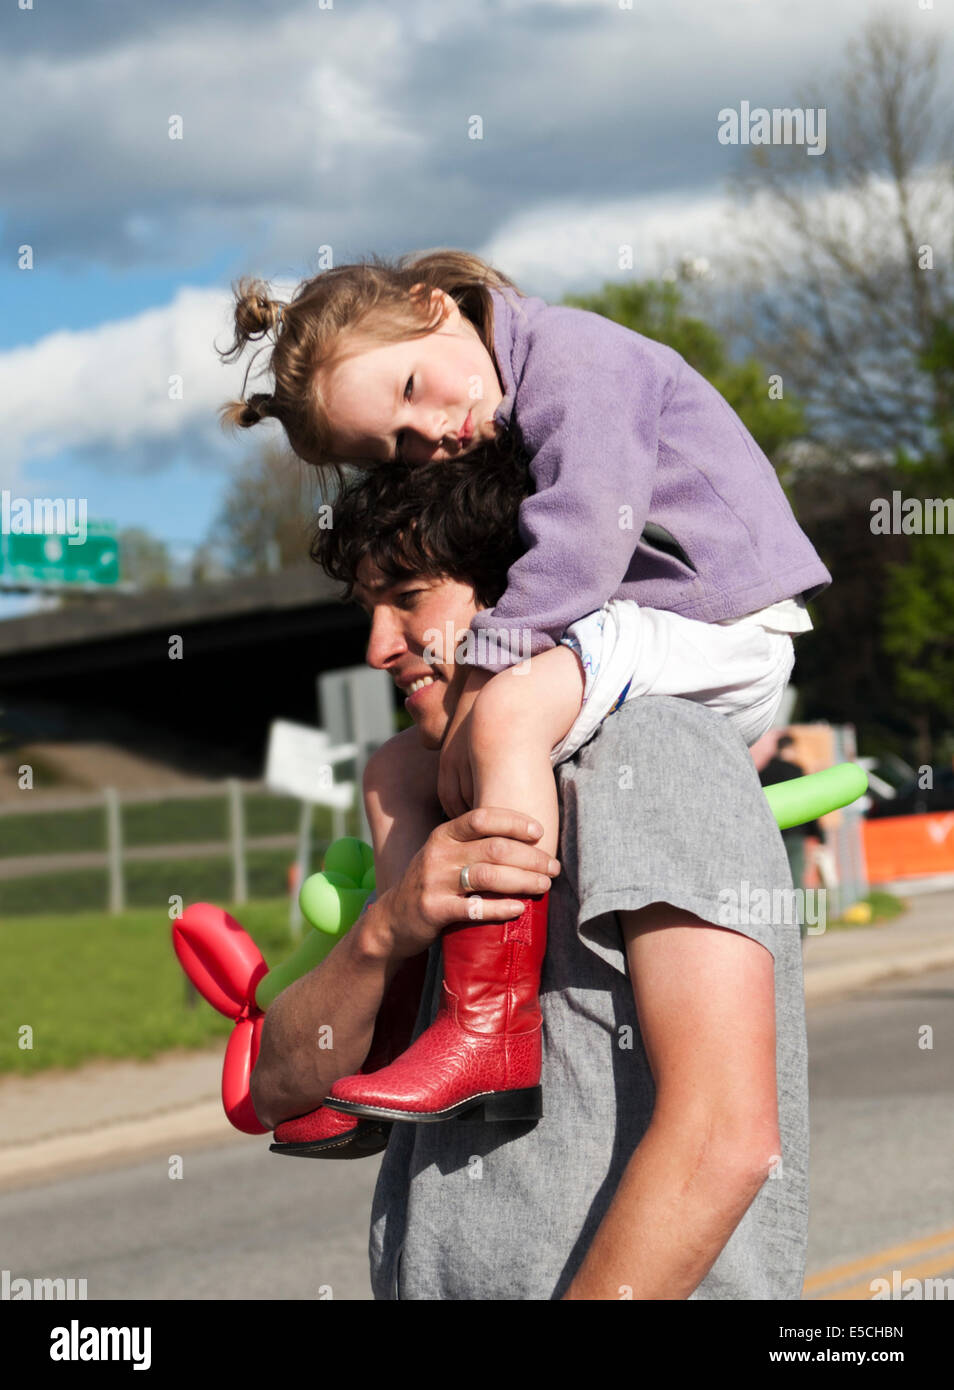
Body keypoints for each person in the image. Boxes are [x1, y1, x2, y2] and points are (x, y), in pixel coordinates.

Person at [220, 246, 827, 1121]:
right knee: (395, 769)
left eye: (411, 389)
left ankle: (492, 1026)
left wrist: (482, 668)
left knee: (506, 708)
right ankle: (399, 1017)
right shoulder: (491, 400)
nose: (429, 432)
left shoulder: (576, 362)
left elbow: (581, 537)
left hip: (720, 622)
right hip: (628, 627)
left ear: (435, 306)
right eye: (395, 443)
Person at [250, 455, 808, 1300]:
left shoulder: (653, 751)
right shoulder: (433, 796)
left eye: (408, 599)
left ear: (519, 597)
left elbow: (727, 1139)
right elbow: (279, 1093)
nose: (376, 648)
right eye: (369, 611)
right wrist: (384, 930)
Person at [759, 734, 825, 940]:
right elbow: (809, 805)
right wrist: (818, 835)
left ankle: (777, 927)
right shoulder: (796, 772)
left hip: (770, 837)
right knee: (795, 881)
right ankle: (798, 928)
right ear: (790, 749)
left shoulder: (762, 773)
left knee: (773, 883)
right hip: (795, 836)